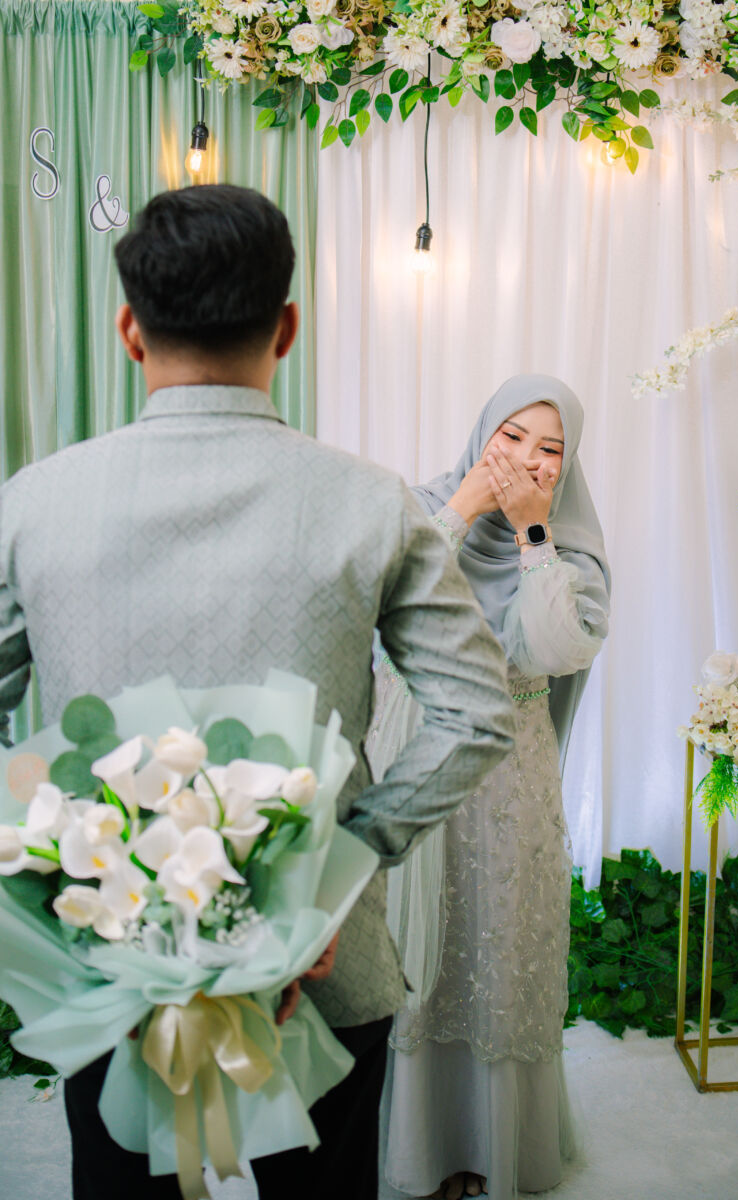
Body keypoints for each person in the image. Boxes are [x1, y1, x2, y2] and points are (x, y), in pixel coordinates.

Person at [0, 184, 516, 1200]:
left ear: (129, 330)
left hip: (113, 959)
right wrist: (333, 864)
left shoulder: (32, 504)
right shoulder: (373, 504)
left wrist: (55, 857)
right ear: (286, 327)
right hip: (326, 959)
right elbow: (476, 712)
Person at [374, 376, 611, 1200]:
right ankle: (422, 1148)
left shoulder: (569, 545)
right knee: (422, 950)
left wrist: (530, 535)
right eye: (511, 436)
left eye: (550, 449)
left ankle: (494, 1146)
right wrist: (463, 510)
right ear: (483, 433)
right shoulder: (422, 507)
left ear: (567, 465)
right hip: (425, 758)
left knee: (503, 940)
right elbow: (384, 609)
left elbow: (556, 648)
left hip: (512, 770)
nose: (526, 459)